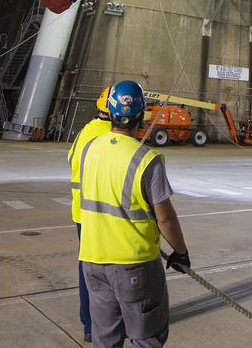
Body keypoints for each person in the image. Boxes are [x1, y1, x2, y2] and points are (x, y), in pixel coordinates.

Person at [78, 80, 188, 348]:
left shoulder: (89, 149)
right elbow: (165, 218)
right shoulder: (147, 160)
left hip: (92, 260)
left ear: (111, 113)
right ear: (142, 114)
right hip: (133, 264)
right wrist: (181, 252)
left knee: (105, 338)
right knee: (147, 337)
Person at [69, 87, 113, 343]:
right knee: (112, 272)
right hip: (103, 216)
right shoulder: (111, 137)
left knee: (88, 270)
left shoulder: (85, 131)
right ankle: (109, 323)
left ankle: (89, 325)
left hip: (81, 213)